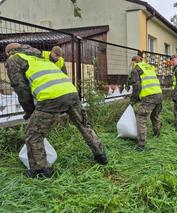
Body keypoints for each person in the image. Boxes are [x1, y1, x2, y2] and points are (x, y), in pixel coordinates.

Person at [4, 43, 107, 178]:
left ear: (8, 53)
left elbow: (21, 88)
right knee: (83, 125)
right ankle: (101, 155)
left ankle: (40, 170)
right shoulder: (40, 58)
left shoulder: (14, 59)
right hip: (71, 92)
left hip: (51, 97)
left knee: (33, 134)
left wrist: (30, 111)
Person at [129, 55, 163, 151]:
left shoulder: (136, 69)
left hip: (149, 96)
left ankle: (141, 145)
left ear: (134, 62)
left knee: (141, 118)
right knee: (154, 115)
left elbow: (137, 87)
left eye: (131, 62)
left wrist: (133, 100)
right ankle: (157, 134)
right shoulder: (149, 67)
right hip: (159, 94)